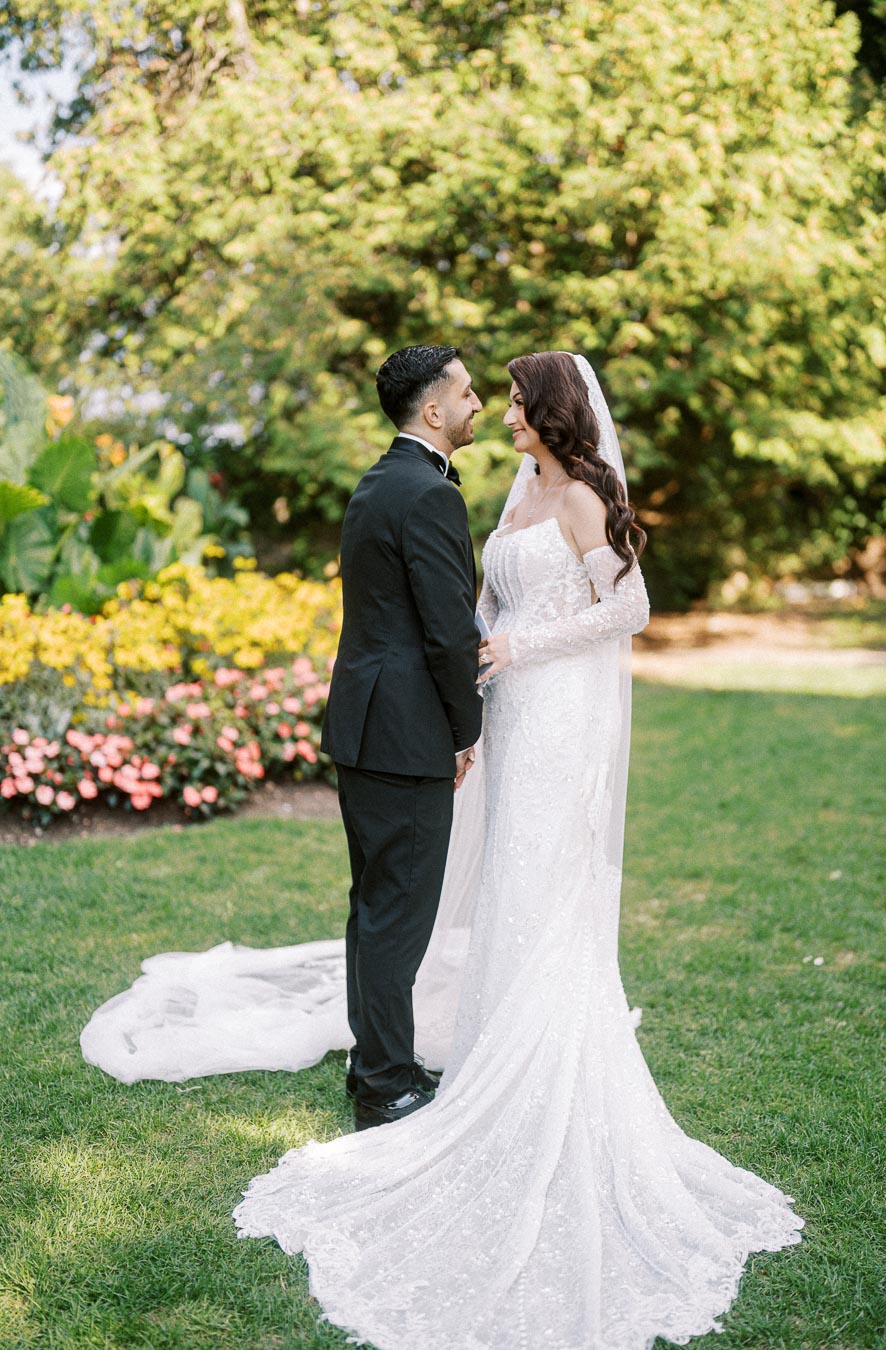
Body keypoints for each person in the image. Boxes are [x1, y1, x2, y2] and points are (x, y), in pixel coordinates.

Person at [232, 352, 803, 1350]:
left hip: (557, 709)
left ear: (553, 410)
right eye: (484, 396)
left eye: (514, 399)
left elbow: (628, 608)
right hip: (510, 711)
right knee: (503, 879)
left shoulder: (587, 495)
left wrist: (517, 650)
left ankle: (540, 1061)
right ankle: (491, 1050)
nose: (498, 413)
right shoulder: (507, 495)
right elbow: (482, 599)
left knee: (547, 877)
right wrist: (483, 649)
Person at [320, 344, 483, 1130]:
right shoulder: (428, 495)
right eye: (467, 391)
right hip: (406, 732)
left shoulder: (380, 480)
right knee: (397, 913)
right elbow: (448, 633)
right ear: (433, 410)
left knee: (374, 907)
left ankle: (374, 1058)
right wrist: (465, 728)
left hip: (365, 726)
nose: (479, 402)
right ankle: (385, 1085)